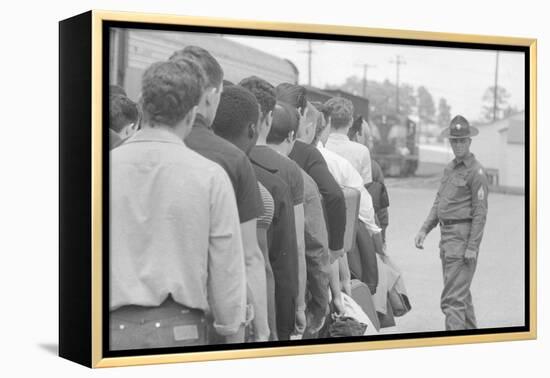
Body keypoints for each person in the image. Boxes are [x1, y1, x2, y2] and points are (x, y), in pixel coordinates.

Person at [109, 60, 247, 349]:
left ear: (142, 106)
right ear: (192, 113)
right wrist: (232, 330)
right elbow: (227, 270)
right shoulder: (210, 177)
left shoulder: (101, 168)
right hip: (181, 332)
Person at [169, 47, 268, 342]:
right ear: (212, 95)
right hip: (208, 321)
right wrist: (262, 329)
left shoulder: (121, 153)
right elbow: (249, 257)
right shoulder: (233, 160)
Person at [210, 84, 274, 341]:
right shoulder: (239, 166)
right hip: (229, 317)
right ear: (253, 129)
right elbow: (254, 259)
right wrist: (264, 330)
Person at [239, 76, 301, 340]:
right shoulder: (283, 178)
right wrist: (294, 309)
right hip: (258, 306)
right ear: (265, 120)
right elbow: (285, 254)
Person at [414, 115, 489, 331]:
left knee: (452, 301)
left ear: (469, 142)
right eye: (454, 141)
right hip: (447, 240)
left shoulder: (477, 172)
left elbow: (480, 213)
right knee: (461, 298)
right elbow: (440, 202)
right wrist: (424, 229)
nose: (458, 145)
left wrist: (472, 247)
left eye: (462, 140)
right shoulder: (450, 169)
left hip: (462, 241)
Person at [249, 101, 308, 339]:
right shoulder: (290, 170)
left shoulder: (238, 158)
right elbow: (298, 245)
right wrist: (299, 305)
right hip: (271, 287)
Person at [278, 83, 347, 262]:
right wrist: (336, 247)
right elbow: (335, 195)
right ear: (300, 114)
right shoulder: (307, 153)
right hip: (298, 247)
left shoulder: (252, 147)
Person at [324, 97, 373, 185]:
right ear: (351, 122)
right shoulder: (362, 151)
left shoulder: (317, 148)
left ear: (327, 121)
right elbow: (367, 187)